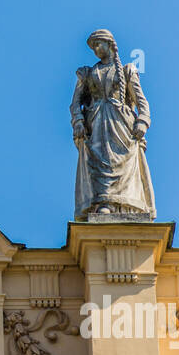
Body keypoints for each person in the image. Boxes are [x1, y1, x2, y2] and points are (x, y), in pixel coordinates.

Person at [70, 29, 155, 220]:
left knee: (122, 162)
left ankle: (128, 203)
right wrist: (78, 121)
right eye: (93, 47)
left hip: (121, 125)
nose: (96, 49)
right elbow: (75, 103)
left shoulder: (126, 71)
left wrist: (142, 121)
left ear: (110, 44)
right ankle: (104, 203)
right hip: (97, 124)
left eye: (99, 44)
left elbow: (141, 101)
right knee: (101, 164)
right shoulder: (88, 73)